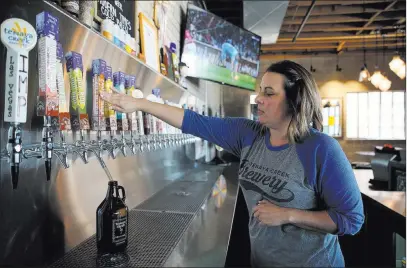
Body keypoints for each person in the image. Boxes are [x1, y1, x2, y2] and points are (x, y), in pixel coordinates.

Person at [100, 60, 365, 267]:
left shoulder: (320, 148)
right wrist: (139, 104)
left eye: (269, 93)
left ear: (295, 101)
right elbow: (193, 121)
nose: (258, 98)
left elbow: (351, 220)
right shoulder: (247, 134)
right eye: (260, 90)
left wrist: (288, 214)